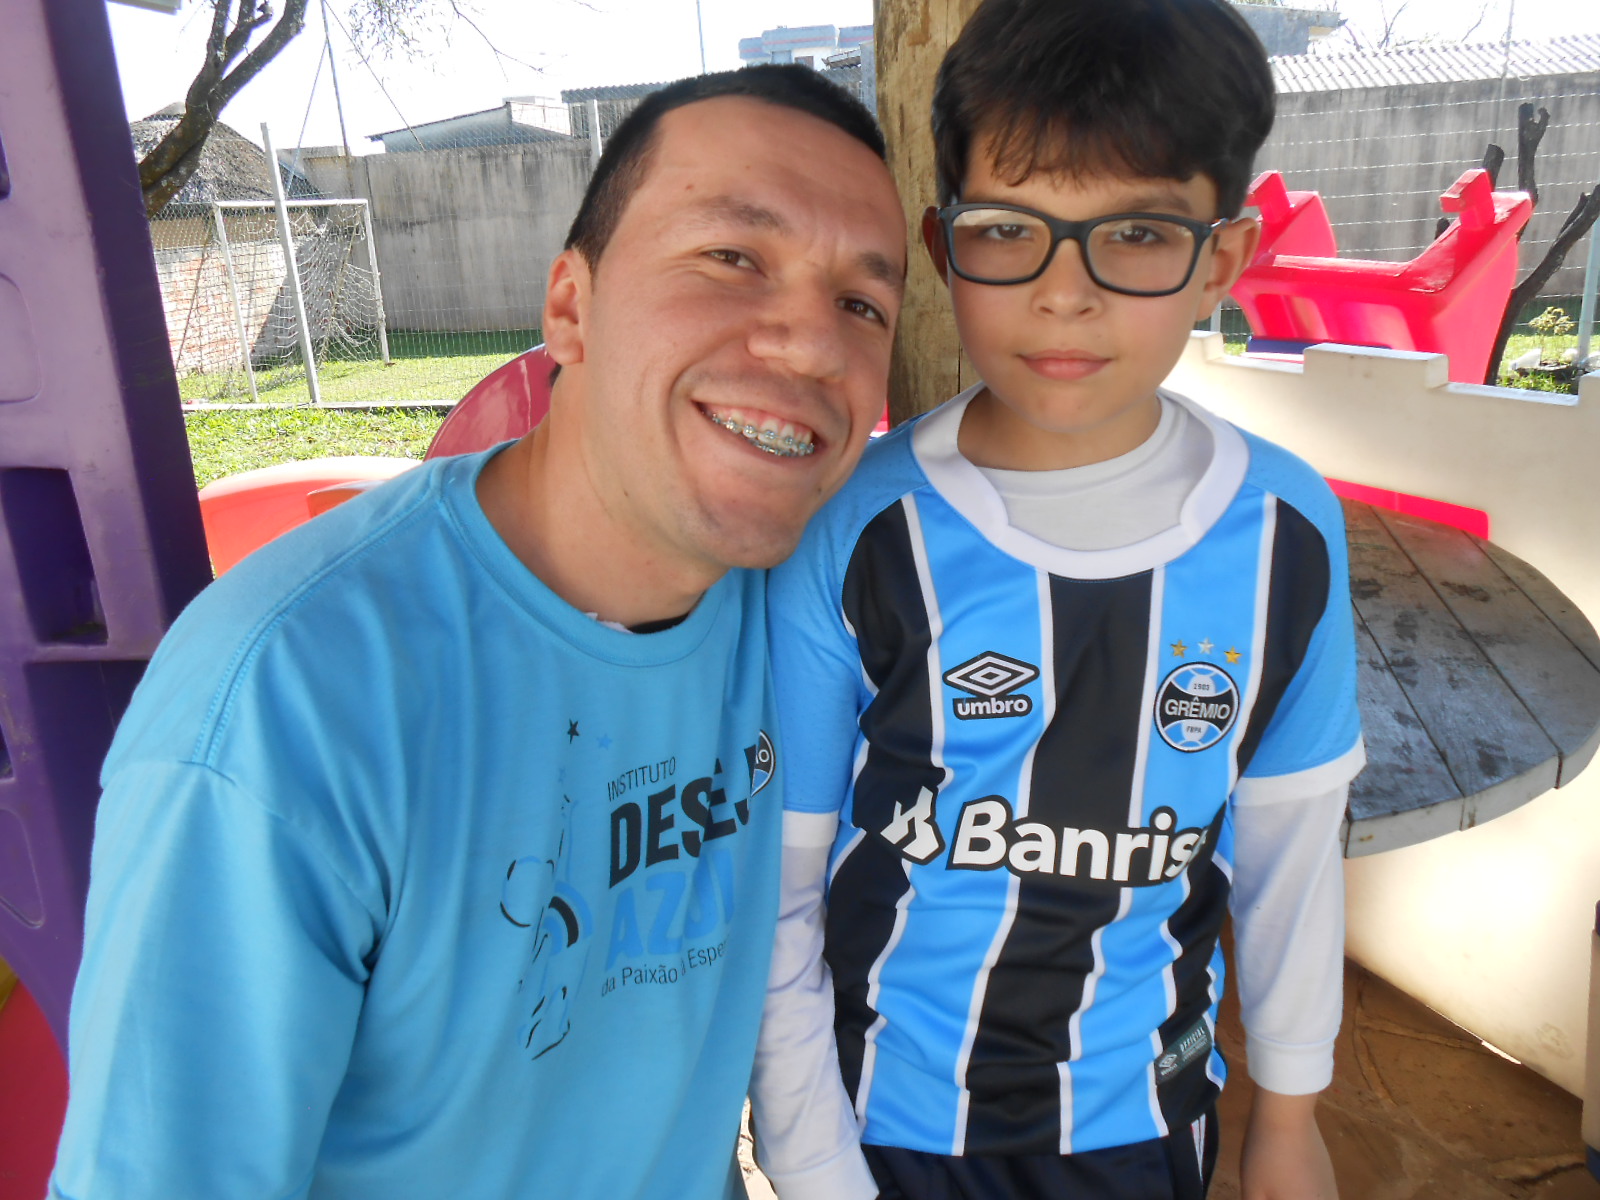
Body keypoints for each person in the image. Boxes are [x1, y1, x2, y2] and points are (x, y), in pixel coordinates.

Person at [50, 65, 906, 1200]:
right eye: (731, 258)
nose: (809, 345)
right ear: (569, 305)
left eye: (862, 303)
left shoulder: (808, 608)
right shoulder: (286, 706)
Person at [750, 3, 1363, 1198]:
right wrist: (812, 1164)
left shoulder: (1286, 532)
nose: (1064, 294)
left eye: (1135, 233)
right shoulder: (857, 531)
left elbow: (1292, 855)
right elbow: (778, 888)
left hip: (1145, 1120)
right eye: (1008, 230)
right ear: (942, 247)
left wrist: (1286, 1118)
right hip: (884, 1131)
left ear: (1222, 260)